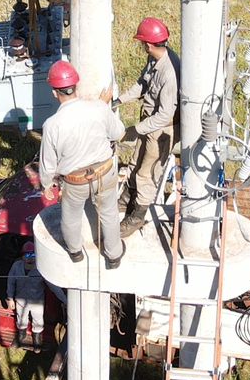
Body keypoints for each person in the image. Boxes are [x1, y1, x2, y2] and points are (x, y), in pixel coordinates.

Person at [37, 61, 124, 269]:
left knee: (71, 216)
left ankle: (75, 252)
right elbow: (118, 133)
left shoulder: (52, 125)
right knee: (109, 214)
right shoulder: (98, 108)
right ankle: (114, 256)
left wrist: (47, 185)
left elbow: (48, 163)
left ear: (54, 92)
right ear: (76, 86)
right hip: (104, 172)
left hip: (75, 181)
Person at [115, 17, 180, 236]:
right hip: (149, 122)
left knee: (147, 173)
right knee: (134, 163)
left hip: (161, 129)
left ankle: (136, 217)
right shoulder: (154, 59)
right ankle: (126, 200)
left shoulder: (170, 72)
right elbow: (143, 83)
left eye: (142, 43)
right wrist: (121, 100)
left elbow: (164, 115)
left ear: (148, 44)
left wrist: (136, 130)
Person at [6, 241, 47, 347]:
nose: (30, 258)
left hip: (37, 301)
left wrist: (64, 299)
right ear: (22, 257)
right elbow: (11, 282)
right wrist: (10, 298)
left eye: (33, 254)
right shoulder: (16, 266)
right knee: (21, 318)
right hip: (20, 300)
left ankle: (37, 340)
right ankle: (21, 336)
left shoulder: (42, 268)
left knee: (38, 320)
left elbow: (52, 286)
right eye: (27, 255)